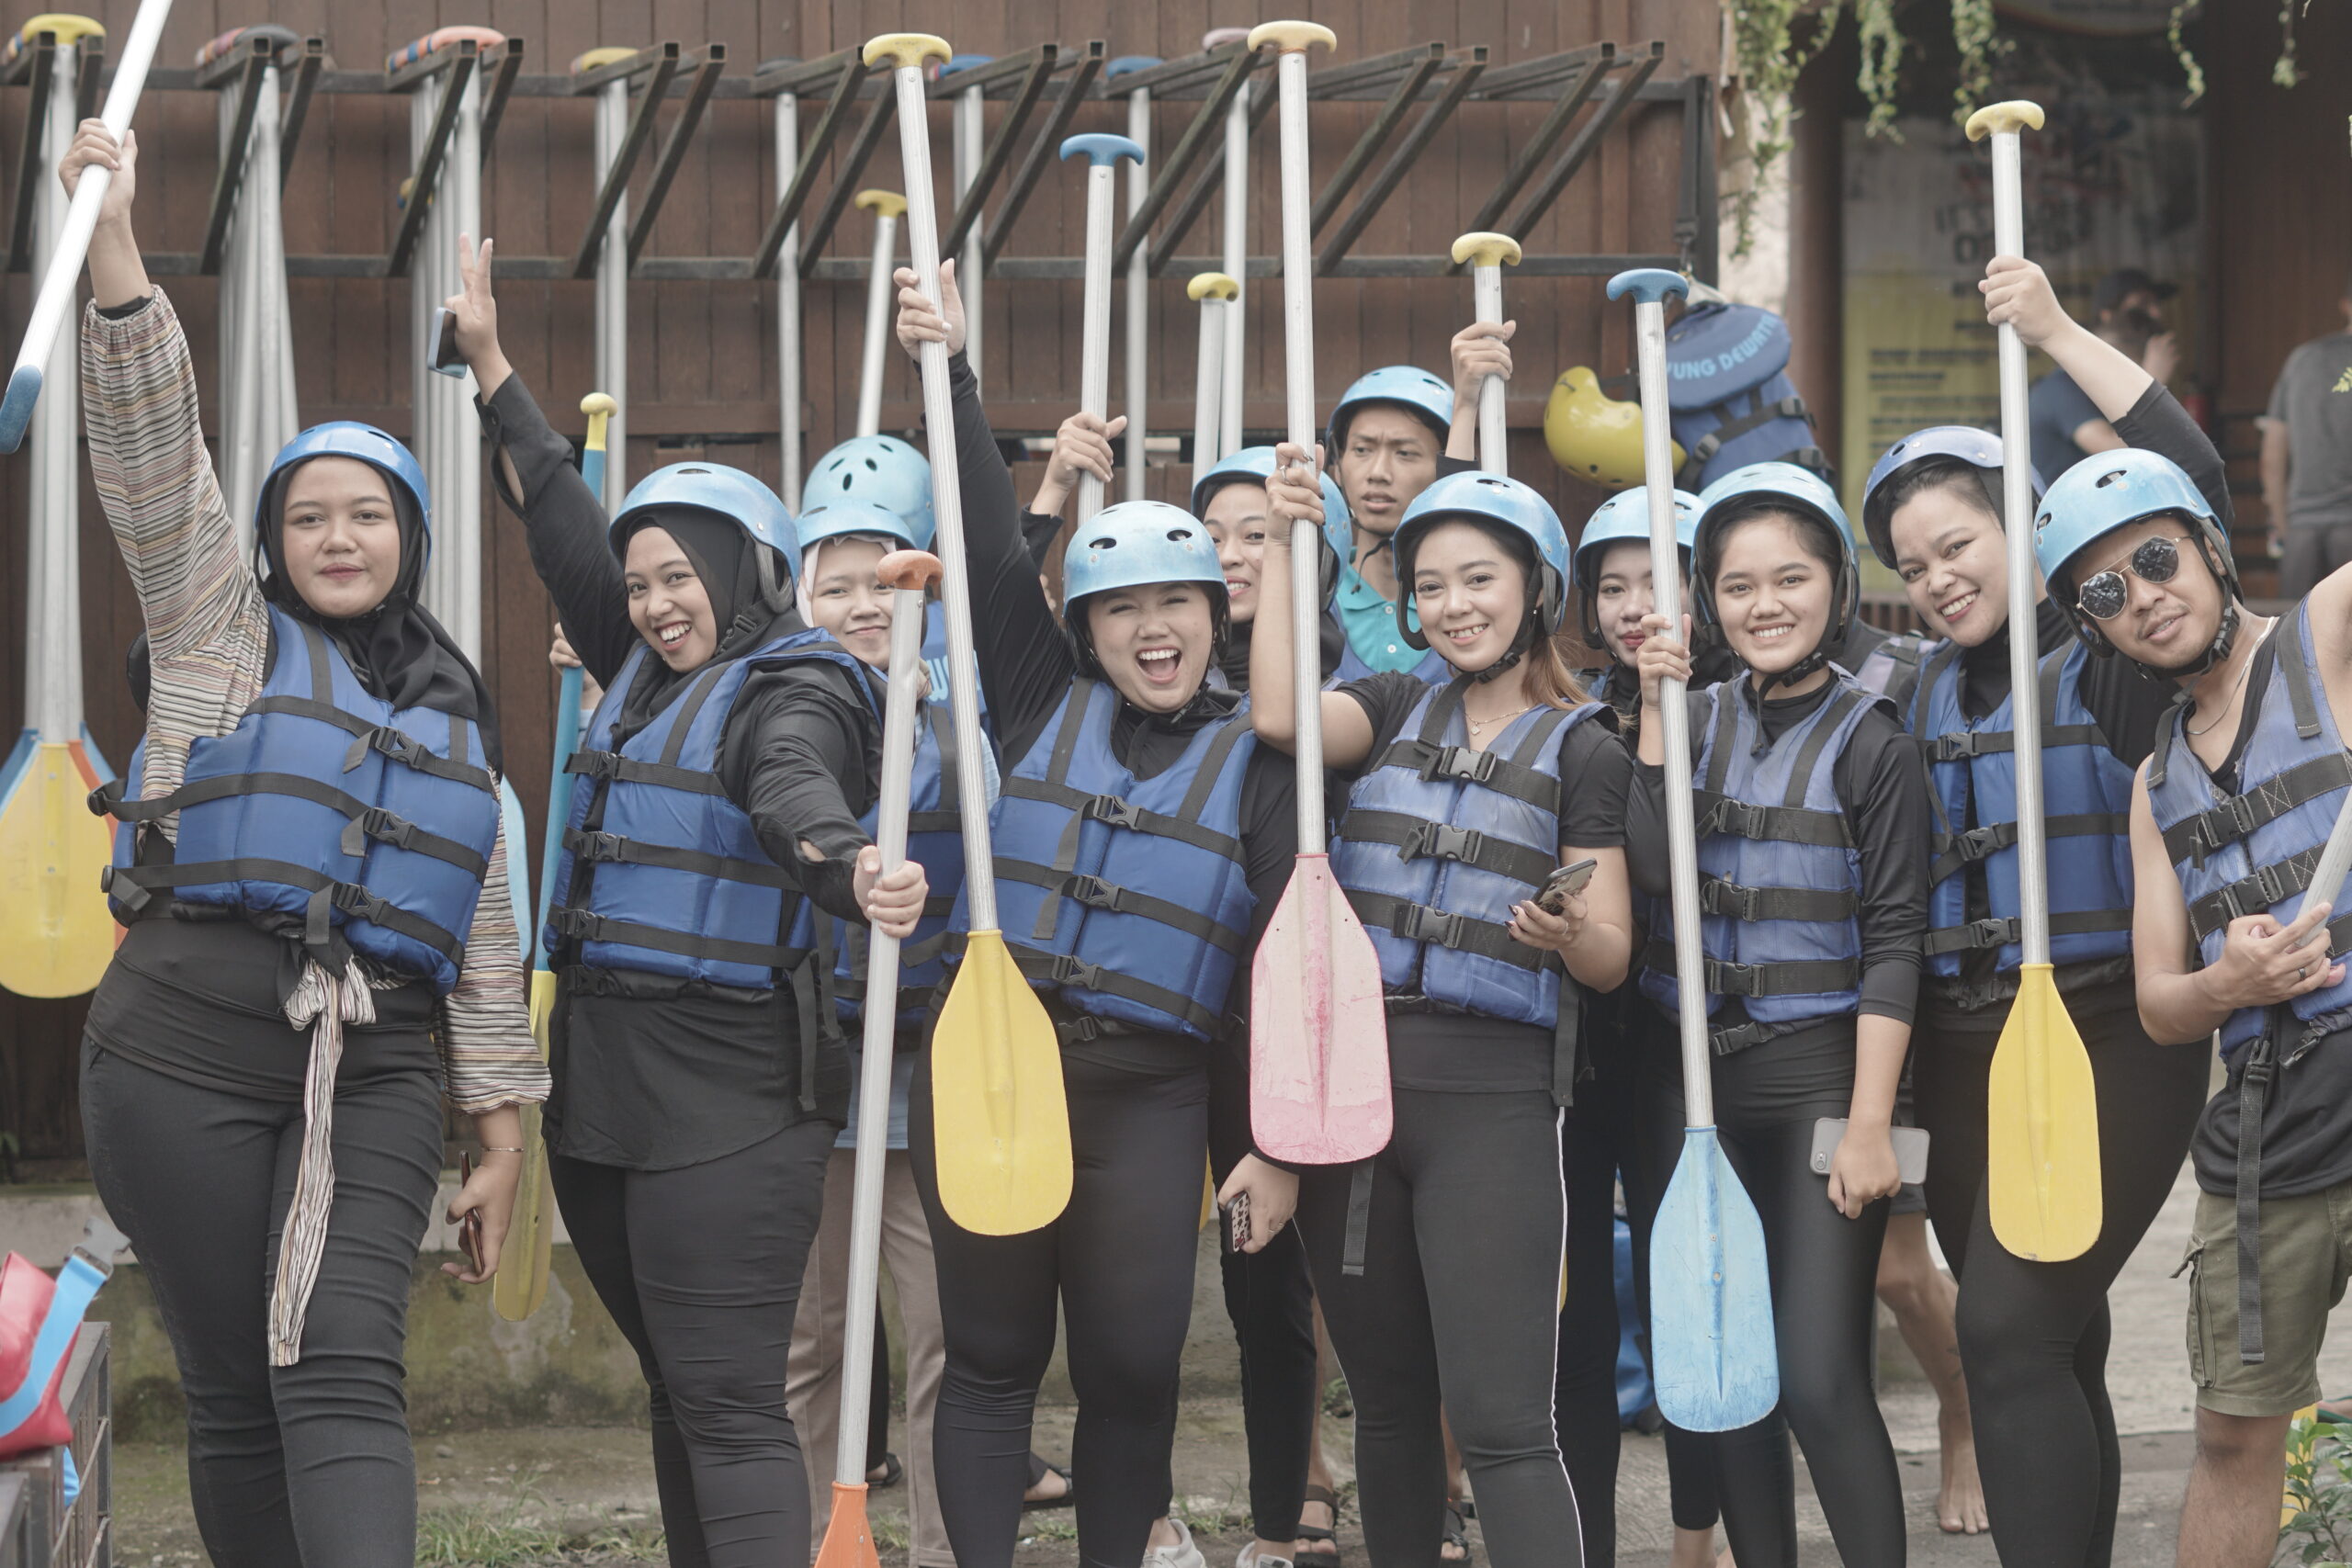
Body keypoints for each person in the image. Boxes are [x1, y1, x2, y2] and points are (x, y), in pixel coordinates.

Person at [63, 121, 548, 1567]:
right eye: (310, 516)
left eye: (369, 515)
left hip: (379, 1061)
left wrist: (502, 1122)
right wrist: (113, 247)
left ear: (407, 533)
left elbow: (479, 927)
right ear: (272, 541)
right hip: (179, 1049)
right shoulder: (218, 630)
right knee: (229, 1388)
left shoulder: (453, 708)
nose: (340, 537)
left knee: (340, 1360)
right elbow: (157, 459)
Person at [447, 237, 928, 1568]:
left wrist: (845, 863)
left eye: (683, 575)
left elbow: (791, 789)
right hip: (604, 1089)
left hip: (730, 1095)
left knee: (725, 1399)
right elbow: (557, 514)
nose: (658, 603)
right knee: (682, 1391)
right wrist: (493, 369)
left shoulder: (799, 679)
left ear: (749, 569)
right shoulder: (649, 665)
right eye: (644, 579)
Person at [895, 261, 1302, 1568]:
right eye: (1122, 608)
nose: (1153, 628)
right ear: (1087, 625)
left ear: (1214, 612)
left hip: (1153, 1090)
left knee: (1132, 1361)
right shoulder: (1033, 695)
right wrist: (950, 366)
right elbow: (974, 525)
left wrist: (1274, 1140)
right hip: (997, 1064)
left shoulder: (1266, 753)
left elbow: (1283, 972)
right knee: (995, 1359)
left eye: (1175, 601)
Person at [1858, 250, 2228, 1568]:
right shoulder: (1905, 696)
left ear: (2025, 531)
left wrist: (2061, 330)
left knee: (2004, 1328)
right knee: (2055, 1336)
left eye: (1959, 542)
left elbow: (2186, 471)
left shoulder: (2111, 661)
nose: (1938, 572)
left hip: (2117, 1031)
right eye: (1912, 559)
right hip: (1969, 1045)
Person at [1254, 453, 1636, 1568]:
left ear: (1536, 591)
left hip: (1494, 1104)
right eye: (1428, 586)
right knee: (1384, 1407)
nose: (1452, 605)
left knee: (1506, 1425)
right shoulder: (1384, 705)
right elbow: (1278, 716)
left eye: (1477, 579)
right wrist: (1288, 545)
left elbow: (1610, 958)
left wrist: (1572, 936)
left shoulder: (1585, 750)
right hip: (1357, 1101)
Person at [2029, 432, 2352, 1568]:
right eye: (2107, 592)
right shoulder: (2153, 781)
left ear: (2210, 548)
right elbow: (2164, 1004)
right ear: (2095, 627)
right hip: (2275, 1111)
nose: (2145, 600)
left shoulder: (2326, 634)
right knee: (2230, 1430)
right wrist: (2230, 980)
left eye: (2158, 560)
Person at [1626, 462, 1928, 1568]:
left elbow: (1897, 940)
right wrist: (1654, 722)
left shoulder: (1875, 740)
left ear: (1837, 586)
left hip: (1815, 1084)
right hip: (1689, 1088)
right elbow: (1652, 871)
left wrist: (1867, 1124)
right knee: (1727, 1377)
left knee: (1814, 1373)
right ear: (1708, 602)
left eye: (1789, 578)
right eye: (1738, 585)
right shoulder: (1685, 716)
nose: (1764, 605)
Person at [779, 488, 976, 1568]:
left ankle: (944, 1547)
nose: (863, 603)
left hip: (924, 1081)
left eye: (881, 582)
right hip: (814, 1082)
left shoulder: (958, 723)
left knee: (943, 1336)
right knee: (812, 1339)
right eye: (836, 585)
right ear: (800, 597)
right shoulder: (772, 716)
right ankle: (819, 1537)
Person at [2028, 266, 2181, 485]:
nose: (2156, 313)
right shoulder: (2063, 386)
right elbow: (2118, 454)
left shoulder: (2105, 386)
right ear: (2108, 316)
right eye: (2143, 304)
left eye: (2157, 305)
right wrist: (2151, 385)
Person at [2258, 267, 2352, 597]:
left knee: (2296, 640)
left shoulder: (2300, 361)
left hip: (2302, 531)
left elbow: (2272, 455)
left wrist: (2284, 525)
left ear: (2345, 305)